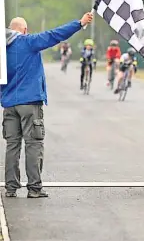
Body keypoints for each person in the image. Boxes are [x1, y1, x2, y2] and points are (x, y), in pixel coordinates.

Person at [1, 12, 93, 198]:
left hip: (9, 105)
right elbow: (55, 35)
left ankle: (10, 188)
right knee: (33, 144)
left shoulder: (2, 50)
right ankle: (34, 188)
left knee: (12, 145)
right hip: (29, 103)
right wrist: (80, 23)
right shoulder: (28, 42)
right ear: (24, 30)